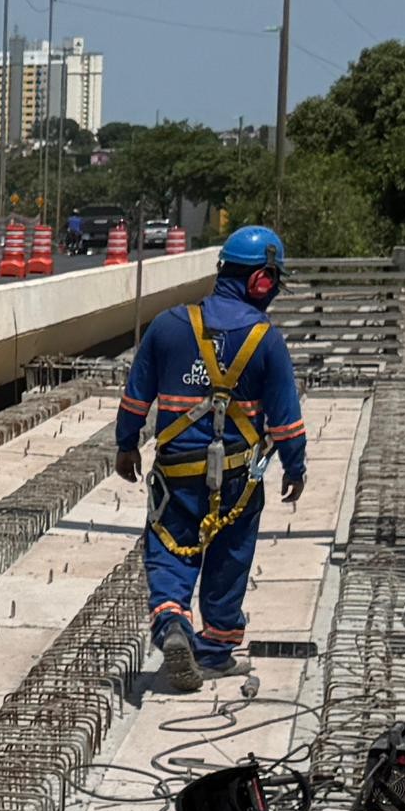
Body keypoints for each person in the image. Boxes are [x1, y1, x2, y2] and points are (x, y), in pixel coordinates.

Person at [114, 223, 306, 693]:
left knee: (170, 547)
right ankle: (216, 652)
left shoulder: (167, 325)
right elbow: (286, 424)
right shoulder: (267, 339)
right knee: (229, 557)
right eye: (273, 282)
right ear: (261, 281)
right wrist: (296, 469)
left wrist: (125, 446)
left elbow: (135, 402)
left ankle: (172, 625)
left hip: (176, 472)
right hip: (239, 479)